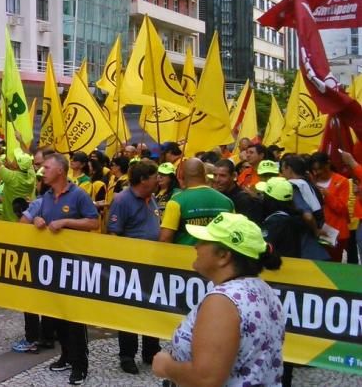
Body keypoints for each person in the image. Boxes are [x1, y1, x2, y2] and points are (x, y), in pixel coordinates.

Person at [152, 213, 285, 387]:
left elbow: (206, 379)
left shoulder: (222, 302)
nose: (196, 246)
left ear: (224, 256)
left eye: (204, 241)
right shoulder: (264, 290)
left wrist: (167, 367)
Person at [18, 153, 98, 385]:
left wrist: (66, 222)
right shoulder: (45, 197)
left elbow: (93, 222)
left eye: (46, 167)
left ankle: (80, 365)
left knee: (74, 318)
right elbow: (26, 223)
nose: (42, 171)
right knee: (56, 315)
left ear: (61, 170)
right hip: (51, 267)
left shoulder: (79, 195)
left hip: (73, 266)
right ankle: (66, 356)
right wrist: (36, 221)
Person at [107, 159, 162, 375]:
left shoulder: (152, 197)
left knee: (152, 308)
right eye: (155, 176)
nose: (159, 180)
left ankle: (151, 351)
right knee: (130, 311)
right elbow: (113, 233)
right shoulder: (122, 200)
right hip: (130, 267)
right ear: (143, 180)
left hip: (152, 264)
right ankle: (127, 355)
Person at [159, 158, 234, 245]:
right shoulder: (227, 201)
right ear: (204, 174)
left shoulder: (176, 201)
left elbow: (165, 239)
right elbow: (232, 232)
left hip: (185, 252)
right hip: (218, 253)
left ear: (182, 176)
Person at [309, 152, 350, 262]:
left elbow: (342, 208)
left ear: (328, 165)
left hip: (335, 232)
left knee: (333, 264)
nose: (317, 172)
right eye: (314, 169)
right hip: (316, 230)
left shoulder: (342, 181)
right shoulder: (311, 181)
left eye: (319, 169)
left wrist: (327, 195)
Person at [211, 159, 263, 224]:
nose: (217, 180)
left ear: (234, 175)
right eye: (215, 175)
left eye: (222, 176)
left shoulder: (244, 200)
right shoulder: (214, 196)